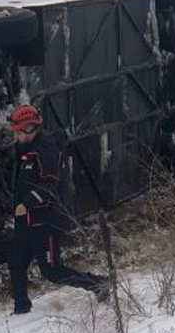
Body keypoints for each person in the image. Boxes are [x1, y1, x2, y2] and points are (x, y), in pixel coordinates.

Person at [6, 105, 106, 315]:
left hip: (46, 220)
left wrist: (27, 203)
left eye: (17, 131)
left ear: (29, 129)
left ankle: (98, 284)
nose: (14, 136)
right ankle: (21, 308)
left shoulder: (46, 149)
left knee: (52, 270)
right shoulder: (23, 150)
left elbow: (49, 184)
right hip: (27, 221)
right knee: (16, 261)